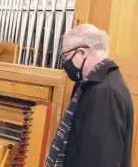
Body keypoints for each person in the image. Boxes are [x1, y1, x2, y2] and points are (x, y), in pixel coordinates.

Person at [45, 24, 134, 167]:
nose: (65, 63)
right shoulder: (92, 85)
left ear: (82, 52)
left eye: (66, 56)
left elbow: (100, 160)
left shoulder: (105, 93)